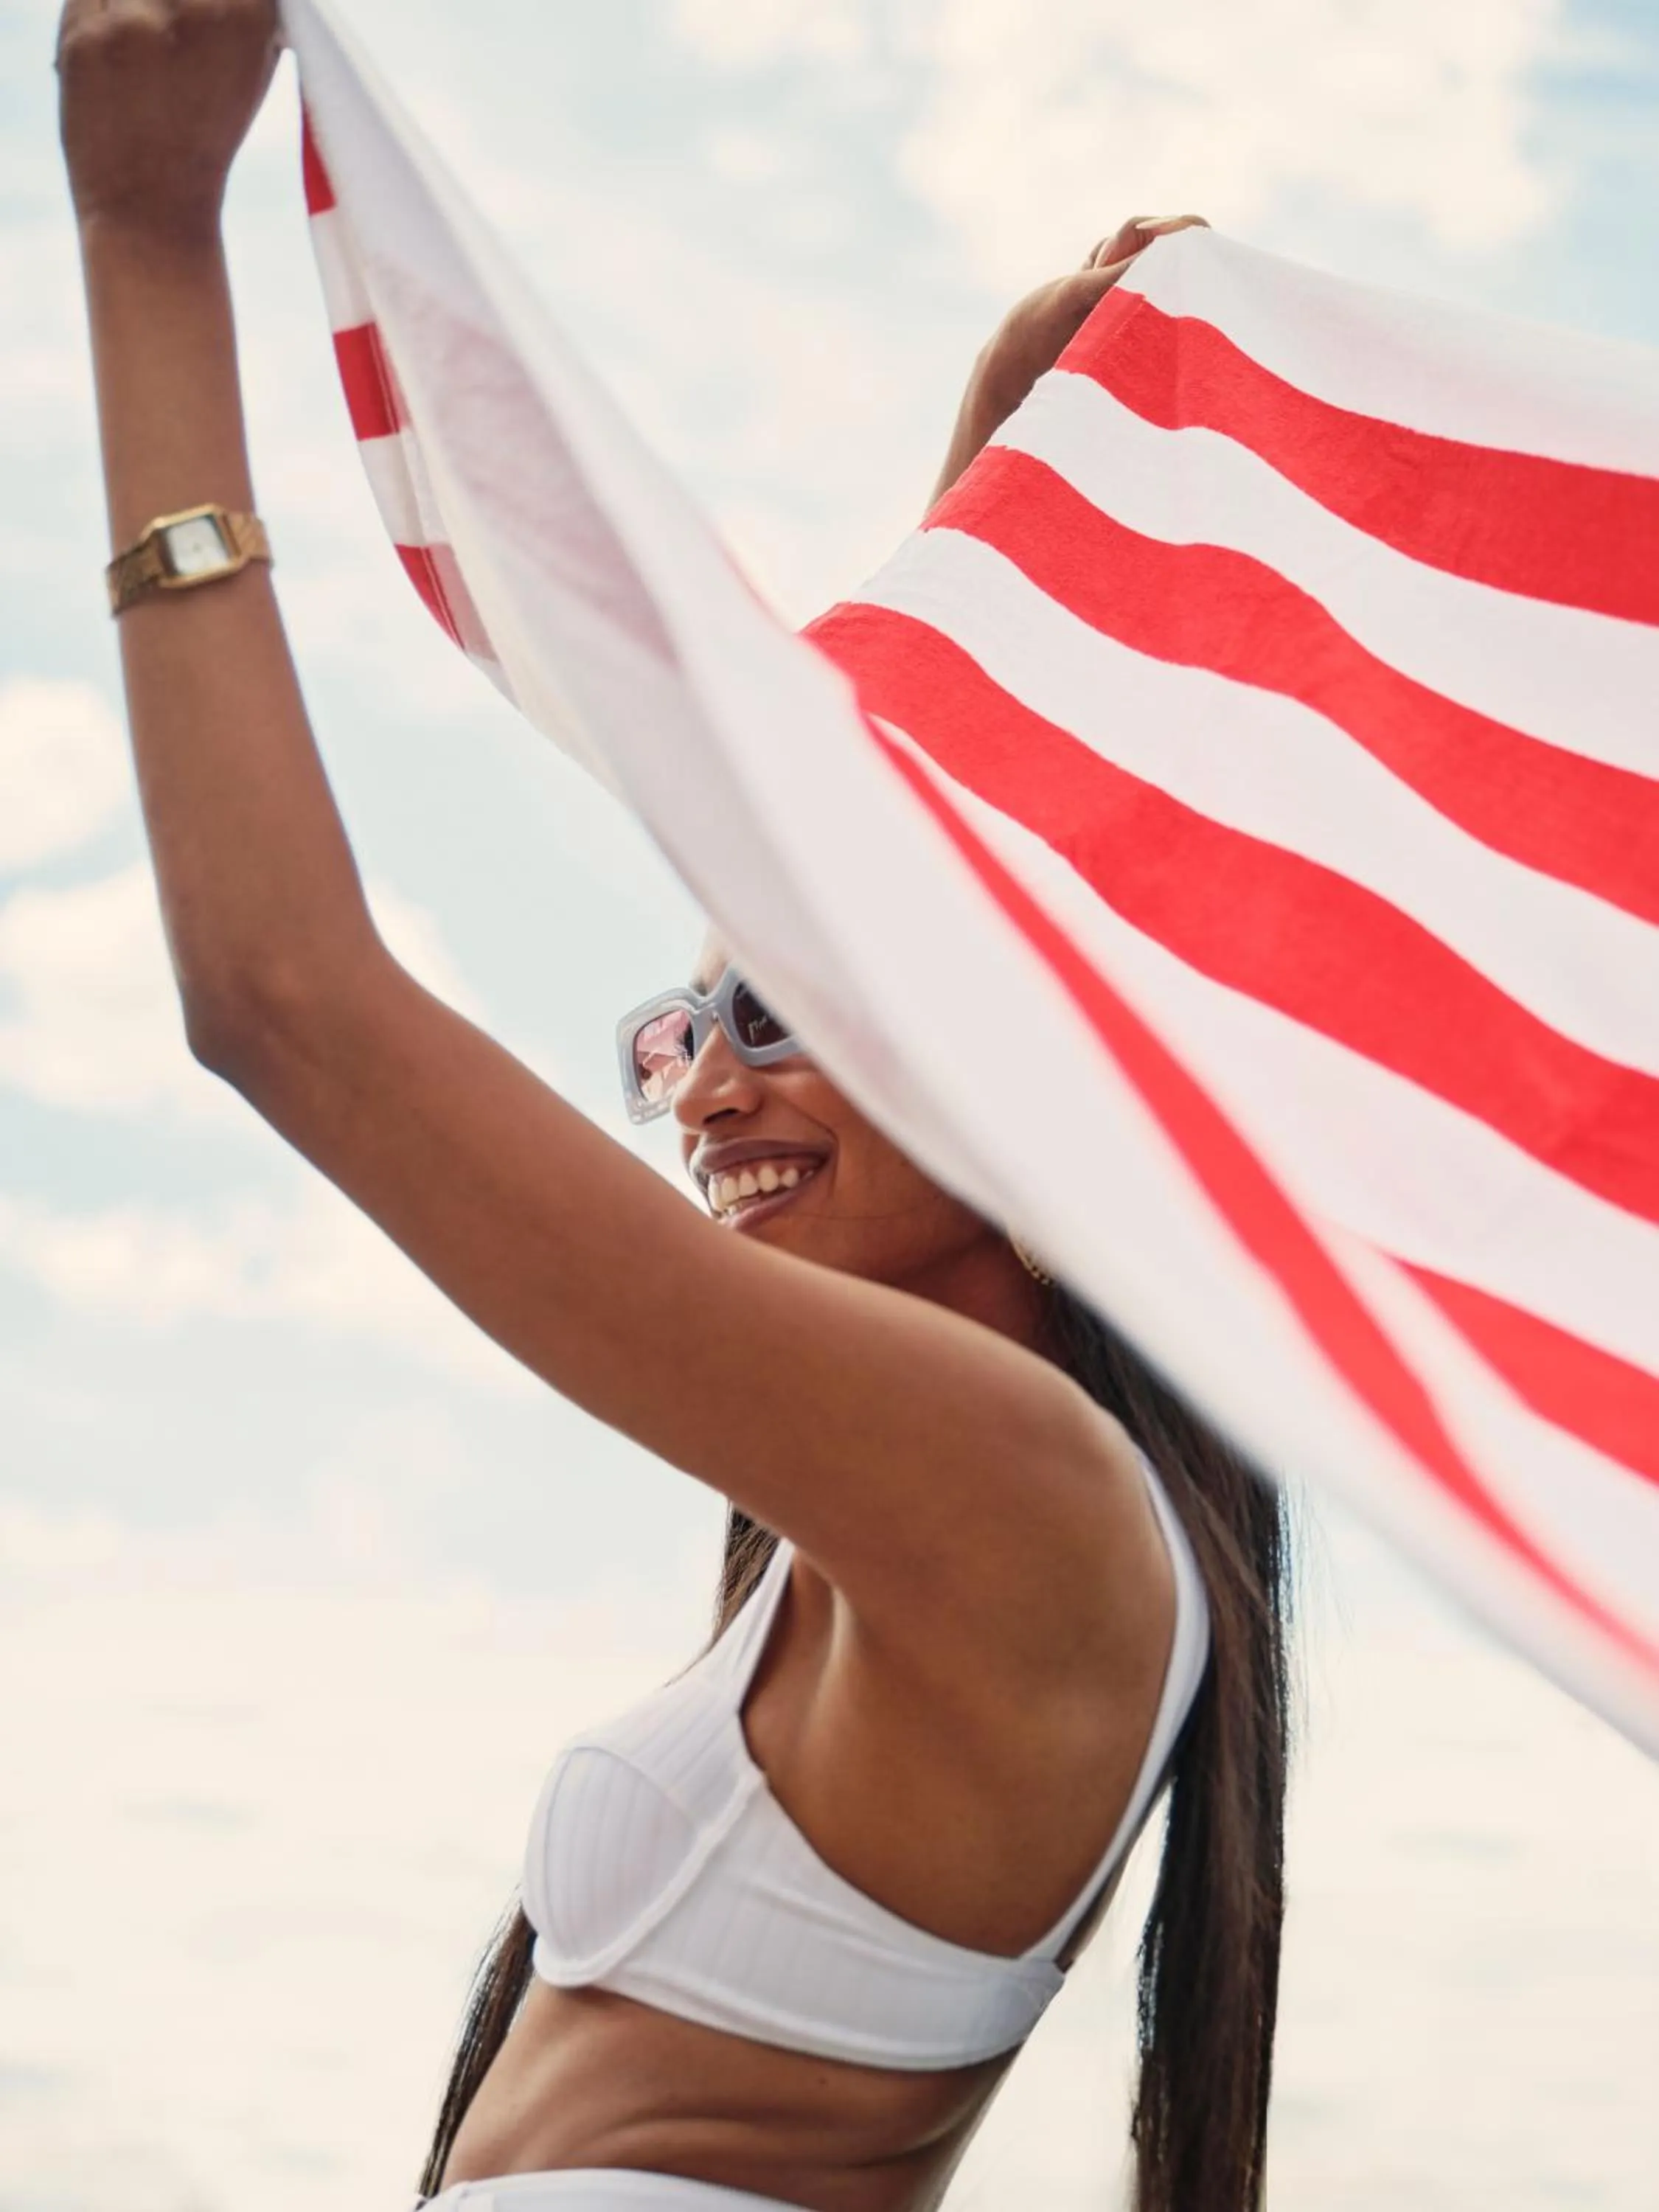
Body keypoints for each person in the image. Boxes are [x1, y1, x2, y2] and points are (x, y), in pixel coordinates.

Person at [55, 4, 1291, 2208]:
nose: (697, 1077)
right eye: (689, 1014)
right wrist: (1003, 472)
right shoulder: (940, 1517)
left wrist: (148, 229)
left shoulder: (1038, 1515)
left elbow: (285, 997)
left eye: (770, 1019)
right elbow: (876, 882)